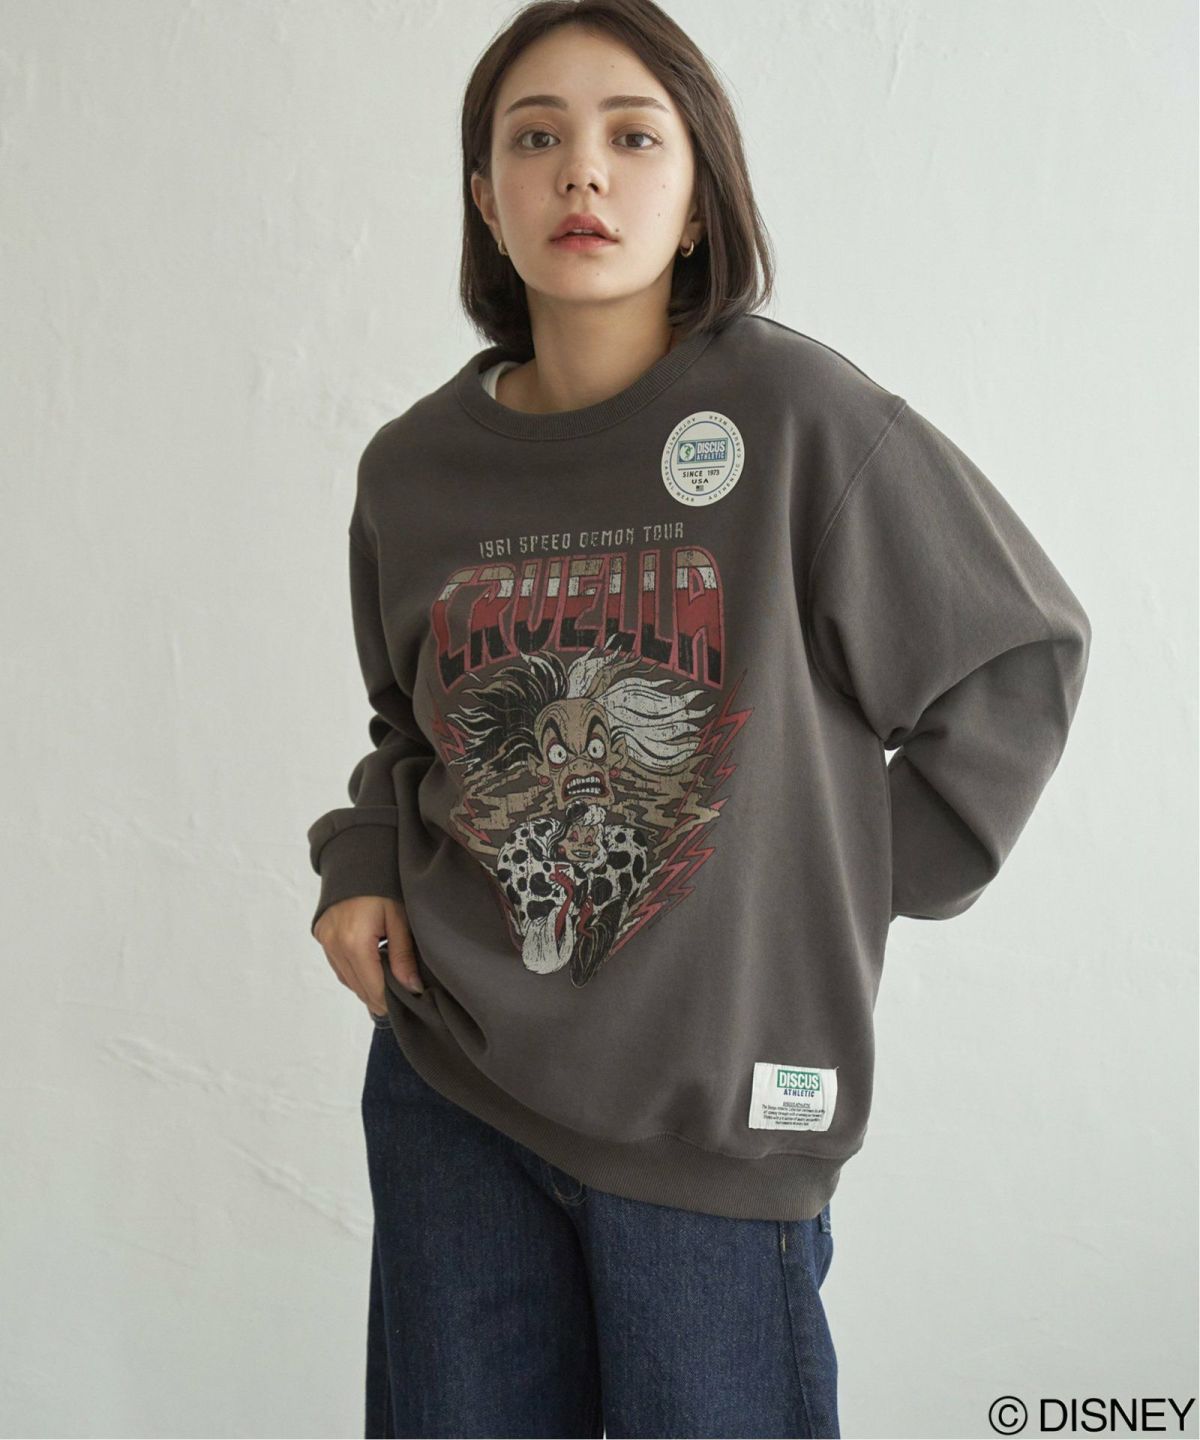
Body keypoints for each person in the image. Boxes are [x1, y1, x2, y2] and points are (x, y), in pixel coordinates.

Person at [306, 2, 1092, 1436]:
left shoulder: (795, 418)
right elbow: (407, 725)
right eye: (533, 138)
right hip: (449, 1082)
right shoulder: (413, 469)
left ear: (699, 196)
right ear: (484, 197)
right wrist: (362, 864)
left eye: (632, 136)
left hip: (714, 1120)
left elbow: (1015, 661)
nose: (581, 171)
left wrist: (820, 881)